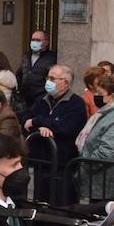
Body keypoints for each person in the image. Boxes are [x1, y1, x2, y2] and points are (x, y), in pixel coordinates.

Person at [21, 65, 84, 202]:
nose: (48, 81)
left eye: (52, 78)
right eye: (48, 77)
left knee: (60, 202)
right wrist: (40, 129)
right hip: (41, 161)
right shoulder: (41, 100)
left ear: (65, 82)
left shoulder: (76, 103)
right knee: (40, 201)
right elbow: (26, 121)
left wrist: (38, 121)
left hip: (62, 164)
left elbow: (65, 128)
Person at [75, 75, 114, 201]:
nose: (95, 96)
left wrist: (84, 165)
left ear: (112, 96)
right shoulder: (104, 113)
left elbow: (108, 152)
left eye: (100, 93)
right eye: (95, 92)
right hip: (97, 181)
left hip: (106, 184)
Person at [16, 30, 56, 109]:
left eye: (38, 40)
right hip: (25, 99)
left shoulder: (51, 58)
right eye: (33, 40)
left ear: (46, 42)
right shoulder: (27, 56)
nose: (34, 42)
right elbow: (20, 74)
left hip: (41, 99)